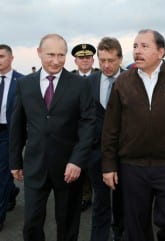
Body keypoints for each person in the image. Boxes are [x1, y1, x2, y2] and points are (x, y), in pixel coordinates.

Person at [101, 29, 165, 241]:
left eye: (144, 46)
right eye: (135, 46)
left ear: (161, 51)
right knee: (135, 227)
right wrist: (109, 165)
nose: (137, 51)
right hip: (132, 166)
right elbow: (111, 128)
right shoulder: (123, 82)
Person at [9, 33, 95, 241]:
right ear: (38, 53)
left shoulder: (80, 84)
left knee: (67, 224)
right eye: (50, 54)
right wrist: (15, 162)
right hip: (35, 165)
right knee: (32, 222)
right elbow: (17, 124)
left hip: (69, 169)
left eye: (61, 55)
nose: (56, 61)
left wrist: (77, 160)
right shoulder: (25, 84)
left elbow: (88, 124)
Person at [87, 37, 124, 241]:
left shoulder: (132, 80)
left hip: (124, 153)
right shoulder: (89, 82)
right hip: (96, 153)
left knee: (122, 201)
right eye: (102, 60)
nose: (106, 65)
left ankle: (120, 233)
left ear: (120, 58)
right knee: (100, 200)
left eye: (111, 60)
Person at [71, 43, 98, 212]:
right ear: (75, 61)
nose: (85, 60)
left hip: (97, 129)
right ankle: (85, 196)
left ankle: (101, 196)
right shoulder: (68, 78)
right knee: (81, 165)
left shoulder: (101, 76)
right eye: (81, 58)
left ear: (93, 59)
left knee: (97, 165)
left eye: (87, 57)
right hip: (76, 130)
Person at [0, 44, 23, 231]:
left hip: (10, 132)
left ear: (11, 58)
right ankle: (11, 192)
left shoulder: (21, 82)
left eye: (1, 56)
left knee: (2, 173)